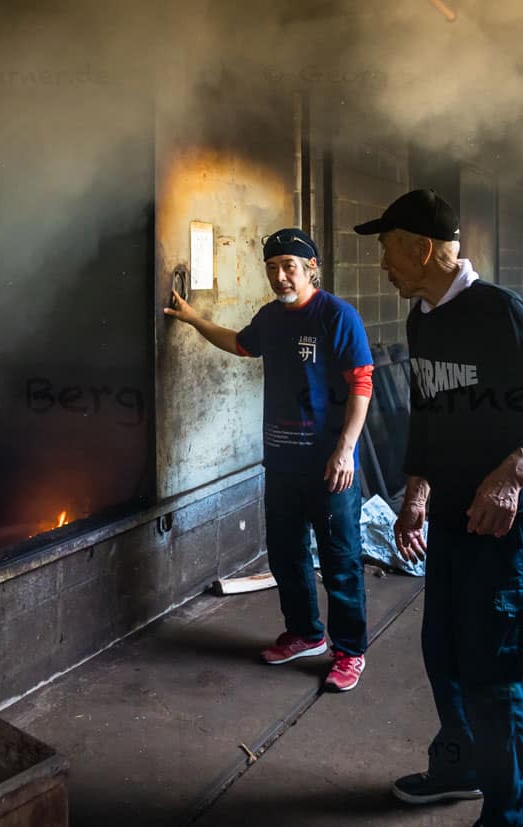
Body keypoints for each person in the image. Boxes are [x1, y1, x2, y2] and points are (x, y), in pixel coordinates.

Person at [354, 189, 523, 827]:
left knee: (491, 665)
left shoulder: (500, 312)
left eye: (389, 251)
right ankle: (459, 766)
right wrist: (416, 491)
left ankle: (510, 811)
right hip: (449, 516)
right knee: (442, 652)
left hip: (504, 526)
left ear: (423, 249)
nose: (383, 267)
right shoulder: (422, 317)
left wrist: (513, 475)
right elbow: (428, 412)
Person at [163, 229, 375, 692]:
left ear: (311, 267)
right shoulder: (271, 318)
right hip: (281, 462)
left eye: (290, 267)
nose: (281, 276)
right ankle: (304, 634)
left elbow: (362, 382)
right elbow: (239, 344)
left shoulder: (337, 315)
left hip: (328, 464)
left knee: (340, 559)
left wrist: (346, 448)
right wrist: (194, 319)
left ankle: (350, 651)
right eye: (273, 267)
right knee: (286, 553)